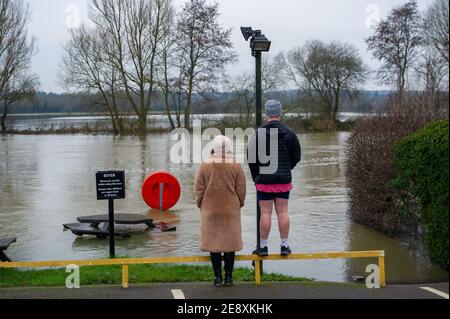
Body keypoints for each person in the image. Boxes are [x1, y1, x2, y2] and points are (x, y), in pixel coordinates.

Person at [248, 100, 301, 256]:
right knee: (283, 212)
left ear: (266, 114)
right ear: (280, 112)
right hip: (283, 179)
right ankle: (284, 245)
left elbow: (251, 158)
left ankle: (263, 247)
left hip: (264, 179)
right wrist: (286, 167)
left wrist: (256, 176)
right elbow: (296, 156)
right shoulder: (290, 132)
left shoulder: (258, 133)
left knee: (265, 213)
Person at [195, 135, 247, 287]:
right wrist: (239, 203)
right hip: (230, 210)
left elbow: (199, 188)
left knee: (214, 245)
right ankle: (229, 278)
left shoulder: (205, 164)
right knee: (230, 245)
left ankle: (217, 277)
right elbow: (241, 188)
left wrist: (200, 203)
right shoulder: (236, 164)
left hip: (210, 210)